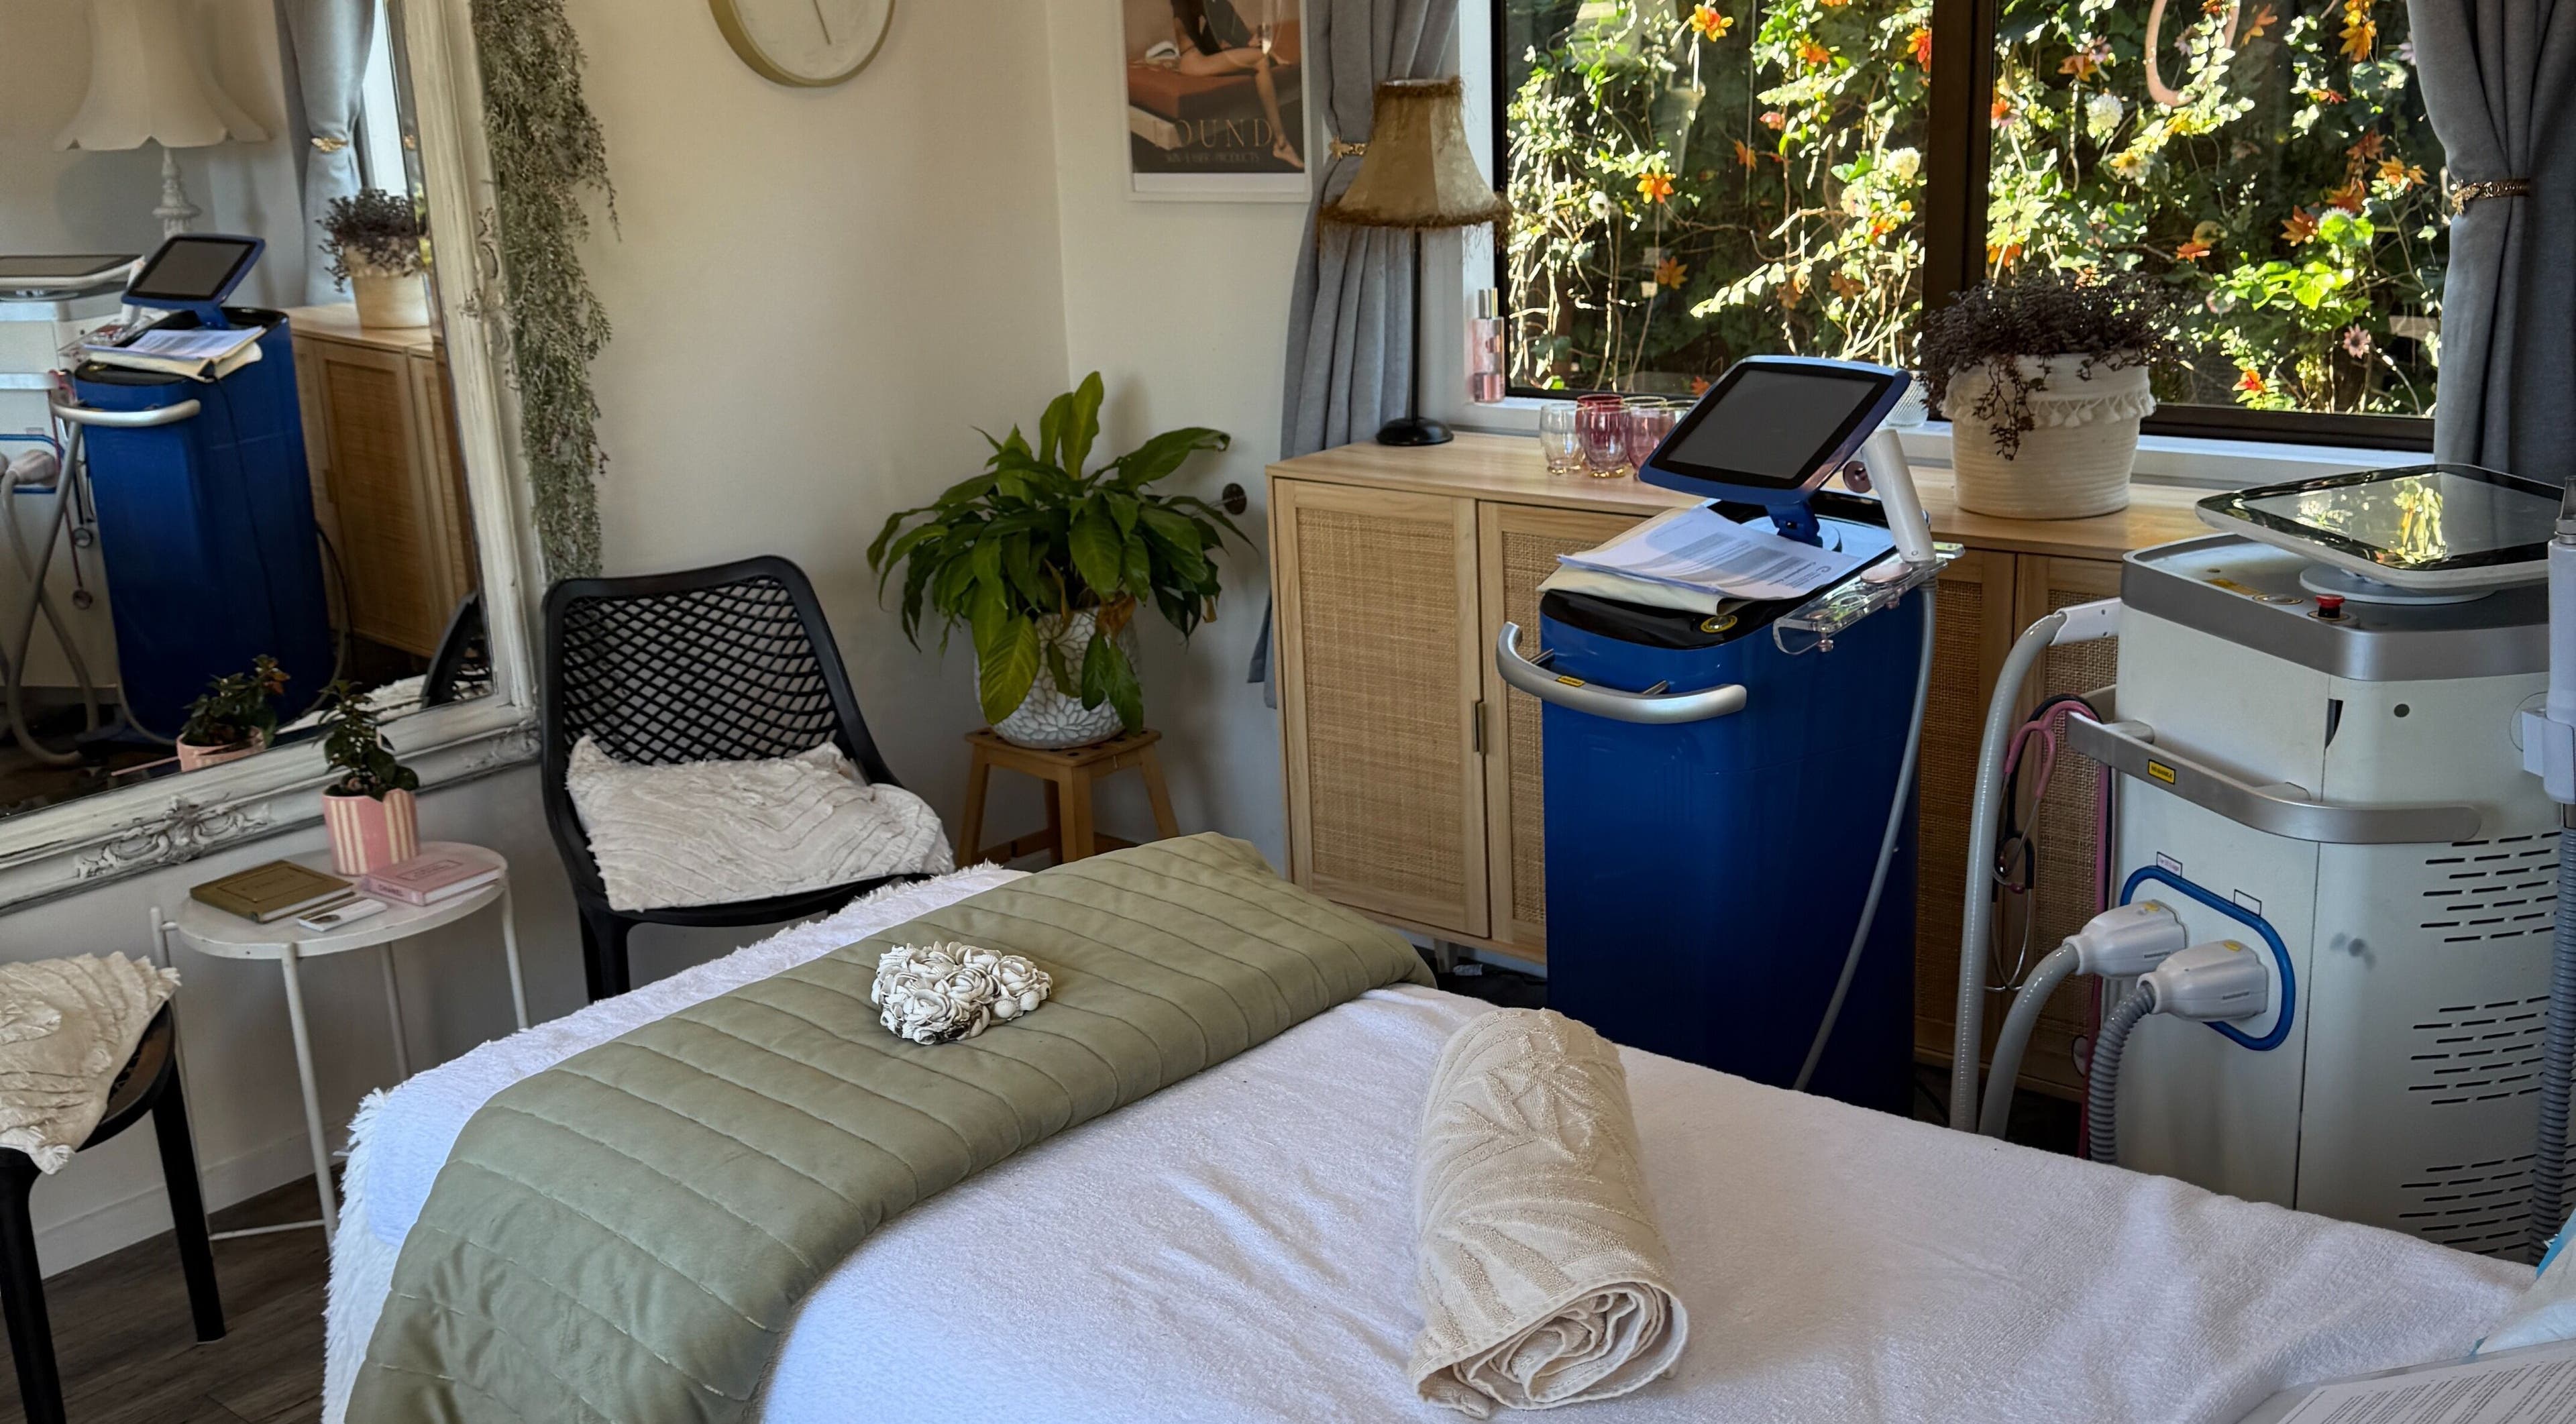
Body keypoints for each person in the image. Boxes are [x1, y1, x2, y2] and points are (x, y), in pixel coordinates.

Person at [1153, 0, 1302, 170]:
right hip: (1193, 61)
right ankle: (1282, 144)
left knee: (1253, 43)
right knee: (1260, 59)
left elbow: (1225, 19)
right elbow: (1219, 19)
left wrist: (1253, 45)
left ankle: (1261, 48)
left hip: (1204, 54)